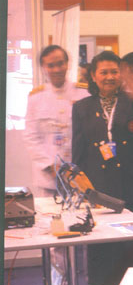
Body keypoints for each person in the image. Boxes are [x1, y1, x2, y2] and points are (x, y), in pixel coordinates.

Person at [72, 50, 133, 285]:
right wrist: (80, 186)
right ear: (93, 76)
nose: (109, 77)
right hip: (98, 186)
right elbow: (78, 150)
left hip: (132, 182)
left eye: (114, 72)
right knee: (104, 245)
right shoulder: (81, 108)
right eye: (104, 72)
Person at [24, 45, 88, 196]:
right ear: (43, 68)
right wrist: (50, 166)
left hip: (79, 175)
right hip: (48, 179)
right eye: (51, 65)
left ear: (67, 64)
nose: (57, 69)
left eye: (60, 64)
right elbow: (30, 137)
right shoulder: (36, 98)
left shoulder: (84, 94)